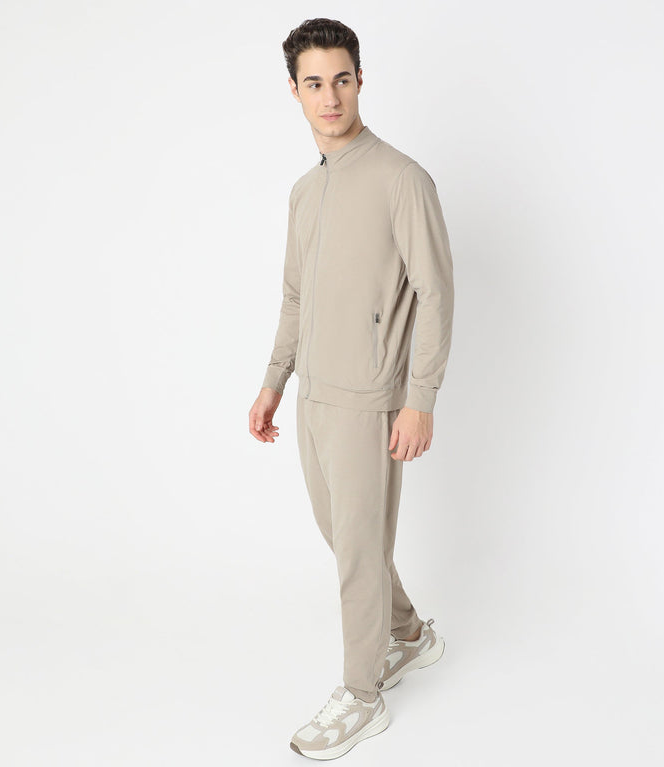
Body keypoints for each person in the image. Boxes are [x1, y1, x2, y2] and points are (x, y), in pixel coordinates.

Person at [248, 17, 455, 761]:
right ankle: (408, 634)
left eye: (341, 79)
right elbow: (294, 296)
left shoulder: (402, 179)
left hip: (371, 398)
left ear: (360, 80)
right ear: (295, 92)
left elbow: (435, 292)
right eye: (314, 83)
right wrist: (274, 381)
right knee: (346, 538)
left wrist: (419, 398)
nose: (329, 96)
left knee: (358, 552)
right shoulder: (306, 192)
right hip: (313, 397)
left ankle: (361, 695)